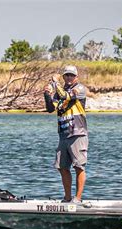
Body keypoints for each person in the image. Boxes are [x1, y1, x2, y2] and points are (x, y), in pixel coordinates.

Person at [44, 65, 88, 203]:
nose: (69, 77)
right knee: (62, 167)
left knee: (78, 166)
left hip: (77, 133)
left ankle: (78, 198)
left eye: (71, 75)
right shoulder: (59, 92)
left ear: (76, 77)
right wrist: (47, 95)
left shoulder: (79, 89)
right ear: (64, 77)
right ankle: (67, 197)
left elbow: (66, 96)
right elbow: (51, 108)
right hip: (63, 134)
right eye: (66, 75)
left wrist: (56, 82)